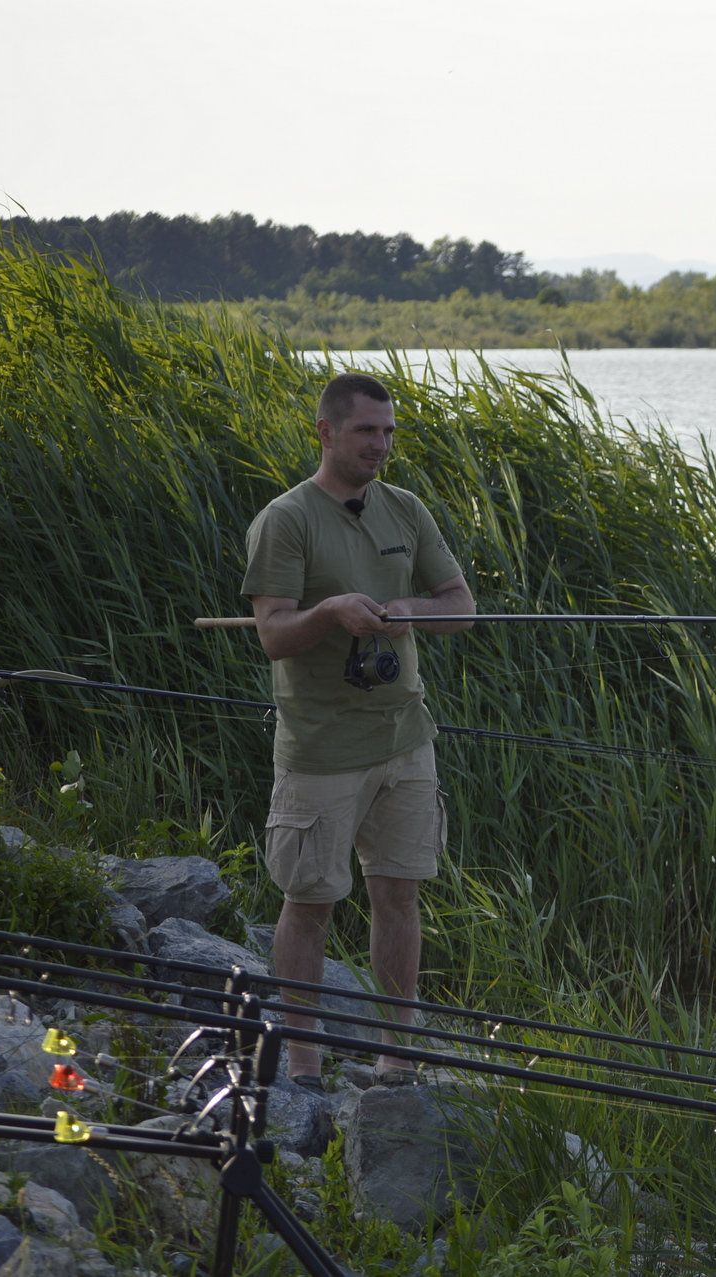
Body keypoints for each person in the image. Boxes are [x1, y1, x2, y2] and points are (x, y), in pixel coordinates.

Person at [241, 371, 474, 1089]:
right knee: (310, 901)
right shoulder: (286, 518)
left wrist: (405, 607)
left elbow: (460, 606)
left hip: (406, 738)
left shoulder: (405, 508)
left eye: (389, 430)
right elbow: (274, 633)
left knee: (399, 895)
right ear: (326, 432)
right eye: (367, 430)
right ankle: (304, 1060)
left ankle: (396, 1051)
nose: (382, 443)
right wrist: (331, 612)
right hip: (321, 747)